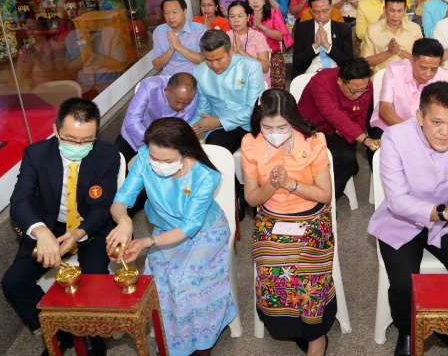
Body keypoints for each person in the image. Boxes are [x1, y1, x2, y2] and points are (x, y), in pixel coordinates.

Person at [367, 82, 448, 356]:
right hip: (401, 223)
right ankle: (407, 330)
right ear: (420, 117)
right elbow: (397, 201)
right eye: (436, 122)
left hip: (446, 225)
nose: (446, 131)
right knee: (402, 284)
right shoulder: (395, 138)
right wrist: (446, 210)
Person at [108, 118, 236, 356]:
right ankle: (175, 339)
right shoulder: (145, 158)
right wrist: (125, 221)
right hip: (165, 232)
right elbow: (121, 200)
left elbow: (188, 228)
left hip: (205, 232)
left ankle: (202, 341)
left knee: (186, 280)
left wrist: (147, 242)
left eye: (166, 160)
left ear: (185, 151)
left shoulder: (206, 176)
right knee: (162, 279)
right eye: (154, 157)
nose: (157, 164)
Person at [2, 98, 118, 356]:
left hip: (90, 225)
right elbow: (19, 201)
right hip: (50, 224)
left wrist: (79, 233)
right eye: (70, 139)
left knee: (95, 275)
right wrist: (41, 231)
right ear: (55, 130)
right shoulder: (36, 153)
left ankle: (91, 332)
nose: (78, 145)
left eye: (86, 140)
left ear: (96, 134)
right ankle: (58, 332)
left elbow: (102, 207)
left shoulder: (107, 153)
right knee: (13, 282)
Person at [242, 89, 335, 356]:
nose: (274, 132)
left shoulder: (312, 141)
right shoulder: (251, 144)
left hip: (312, 216)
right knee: (274, 270)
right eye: (267, 126)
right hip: (272, 218)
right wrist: (272, 185)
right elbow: (250, 198)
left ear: (293, 120)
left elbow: (324, 194)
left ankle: (316, 335)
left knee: (308, 274)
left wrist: (289, 183)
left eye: (282, 126)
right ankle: (292, 324)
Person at [297, 57, 376, 200]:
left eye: (362, 90)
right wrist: (366, 139)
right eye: (354, 91)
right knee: (320, 159)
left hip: (342, 132)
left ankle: (326, 201)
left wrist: (349, 131)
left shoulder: (366, 87)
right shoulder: (321, 82)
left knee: (347, 159)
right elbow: (333, 114)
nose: (359, 94)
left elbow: (361, 116)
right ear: (340, 81)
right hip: (311, 129)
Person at [366, 38, 448, 166]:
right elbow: (384, 109)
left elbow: (443, 114)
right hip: (389, 124)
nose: (428, 74)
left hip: (426, 129)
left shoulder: (443, 78)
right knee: (379, 153)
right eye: (423, 68)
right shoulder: (394, 71)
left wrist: (422, 134)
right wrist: (412, 133)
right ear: (411, 60)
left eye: (434, 69)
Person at [192, 30, 264, 153]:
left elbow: (253, 110)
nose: (214, 65)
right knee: (215, 158)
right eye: (208, 60)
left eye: (219, 59)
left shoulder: (251, 67)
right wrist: (186, 128)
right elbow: (202, 109)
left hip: (251, 124)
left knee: (258, 157)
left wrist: (219, 121)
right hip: (218, 129)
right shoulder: (199, 72)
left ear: (230, 51)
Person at [118, 73, 201, 166]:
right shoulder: (149, 86)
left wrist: (165, 145)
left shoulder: (192, 97)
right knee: (115, 162)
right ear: (166, 91)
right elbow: (132, 119)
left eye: (186, 103)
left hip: (166, 143)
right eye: (177, 101)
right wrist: (151, 141)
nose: (180, 107)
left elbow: (182, 127)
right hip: (135, 133)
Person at [292, 0, 353, 78]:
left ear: (331, 7)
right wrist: (315, 46)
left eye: (325, 11)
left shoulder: (344, 29)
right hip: (309, 75)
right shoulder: (302, 28)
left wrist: (328, 46)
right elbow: (297, 62)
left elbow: (349, 62)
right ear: (310, 10)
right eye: (316, 12)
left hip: (336, 75)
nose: (321, 16)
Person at [362, 0, 424, 76]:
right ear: (385, 10)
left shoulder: (415, 29)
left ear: (405, 10)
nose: (396, 15)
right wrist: (388, 52)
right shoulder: (372, 30)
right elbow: (366, 61)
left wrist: (399, 51)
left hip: (407, 77)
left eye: (399, 11)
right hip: (381, 78)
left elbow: (421, 60)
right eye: (392, 10)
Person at [248, 0, 294, 89]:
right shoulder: (245, 16)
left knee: (277, 64)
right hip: (250, 54)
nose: (255, 1)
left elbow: (280, 36)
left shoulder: (274, 13)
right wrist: (254, 27)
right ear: (248, 1)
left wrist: (262, 26)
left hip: (272, 53)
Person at [152, 0, 206, 76]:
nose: (170, 17)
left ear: (184, 11)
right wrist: (170, 50)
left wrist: (179, 47)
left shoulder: (199, 30)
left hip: (192, 79)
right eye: (166, 13)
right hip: (168, 78)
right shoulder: (159, 31)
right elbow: (156, 65)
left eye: (175, 12)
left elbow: (204, 61)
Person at [226, 0, 271, 88]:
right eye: (232, 16)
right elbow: (221, 67)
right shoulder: (225, 37)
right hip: (232, 83)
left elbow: (265, 67)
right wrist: (233, 53)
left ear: (248, 17)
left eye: (240, 16)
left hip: (255, 82)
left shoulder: (257, 37)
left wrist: (243, 52)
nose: (236, 20)